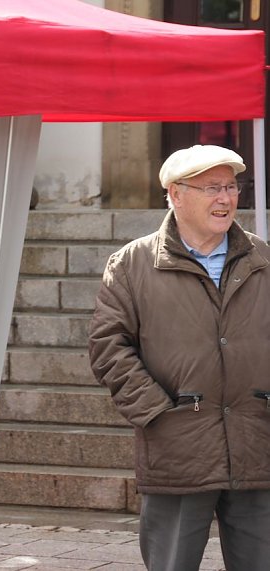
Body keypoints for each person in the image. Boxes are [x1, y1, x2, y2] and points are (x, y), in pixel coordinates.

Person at [88, 144, 270, 571]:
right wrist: (158, 413)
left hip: (257, 443)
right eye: (211, 188)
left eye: (230, 186)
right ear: (176, 194)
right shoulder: (133, 264)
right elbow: (107, 346)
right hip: (177, 450)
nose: (225, 198)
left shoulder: (263, 259)